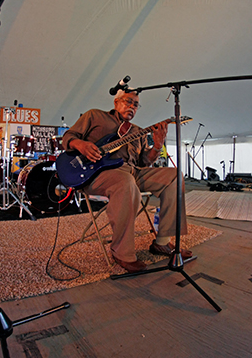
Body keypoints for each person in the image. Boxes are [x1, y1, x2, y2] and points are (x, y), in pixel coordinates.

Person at [61, 88, 192, 273]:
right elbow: (68, 137)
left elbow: (144, 162)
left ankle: (162, 242)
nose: (132, 106)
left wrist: (157, 146)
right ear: (116, 102)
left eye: (136, 104)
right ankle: (122, 253)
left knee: (175, 176)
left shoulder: (138, 131)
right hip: (99, 174)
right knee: (125, 182)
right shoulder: (95, 116)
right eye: (128, 101)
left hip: (133, 172)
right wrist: (81, 145)